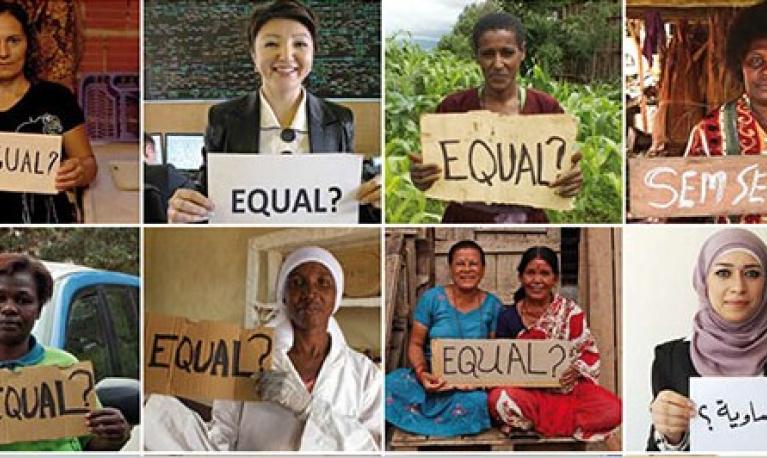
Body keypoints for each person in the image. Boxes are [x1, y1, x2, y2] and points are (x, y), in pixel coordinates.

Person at [144, 246, 382, 451]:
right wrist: (151, 406)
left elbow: (371, 447)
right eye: (297, 283)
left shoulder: (365, 375)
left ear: (336, 297)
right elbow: (221, 440)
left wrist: (307, 408)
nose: (310, 293)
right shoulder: (246, 358)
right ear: (284, 297)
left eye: (323, 283)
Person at [166, 0, 380, 223]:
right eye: (271, 44)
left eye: (300, 44)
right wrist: (185, 211)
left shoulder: (339, 120)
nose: (286, 56)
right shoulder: (223, 119)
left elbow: (354, 203)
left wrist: (376, 200)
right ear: (253, 55)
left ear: (313, 53)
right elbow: (208, 196)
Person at [409, 11, 582, 223]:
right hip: (464, 219)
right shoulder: (453, 108)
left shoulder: (546, 108)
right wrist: (421, 176)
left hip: (529, 221)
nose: (498, 64)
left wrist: (571, 178)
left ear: (522, 53)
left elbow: (564, 168)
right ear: (477, 56)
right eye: (488, 54)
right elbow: (433, 171)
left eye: (507, 53)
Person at [647, 228, 767, 451]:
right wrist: (670, 436)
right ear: (703, 280)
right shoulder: (671, 358)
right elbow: (653, 452)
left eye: (752, 273)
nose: (738, 287)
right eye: (723, 273)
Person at [487, 246, 621, 442]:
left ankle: (533, 425)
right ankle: (541, 422)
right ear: (520, 277)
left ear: (555, 279)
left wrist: (576, 370)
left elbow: (587, 352)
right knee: (500, 399)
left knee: (613, 409)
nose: (537, 281)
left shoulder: (569, 312)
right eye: (531, 273)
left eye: (545, 274)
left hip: (568, 393)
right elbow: (501, 364)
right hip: (527, 394)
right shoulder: (508, 317)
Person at [0, 253, 129, 451]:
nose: (9, 308)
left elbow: (90, 444)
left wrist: (114, 436)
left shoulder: (65, 366)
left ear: (39, 310)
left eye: (23, 300)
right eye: (0, 298)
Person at [385, 240, 502, 436]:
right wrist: (423, 374)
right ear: (450, 268)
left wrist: (478, 382)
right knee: (388, 385)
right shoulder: (433, 298)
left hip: (469, 386)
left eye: (473, 264)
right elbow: (415, 344)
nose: (466, 270)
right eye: (460, 264)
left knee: (477, 403)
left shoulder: (493, 306)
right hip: (432, 379)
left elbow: (496, 355)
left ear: (483, 269)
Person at [0, 2, 96, 224]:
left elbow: (88, 163)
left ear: (28, 44)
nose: (3, 53)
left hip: (46, 216)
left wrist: (79, 171)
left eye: (13, 41)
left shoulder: (56, 98)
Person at [683, 1, 767, 223]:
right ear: (740, 65)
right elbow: (685, 210)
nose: (766, 71)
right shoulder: (708, 133)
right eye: (756, 61)